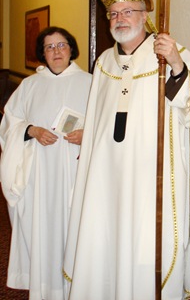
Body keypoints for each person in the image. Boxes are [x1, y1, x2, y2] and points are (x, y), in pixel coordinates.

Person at [63, 0, 190, 300]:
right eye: (113, 13)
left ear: (145, 13)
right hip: (106, 179)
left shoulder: (172, 56)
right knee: (104, 240)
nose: (120, 19)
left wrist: (176, 66)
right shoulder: (103, 62)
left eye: (128, 11)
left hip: (150, 181)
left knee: (144, 247)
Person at [0, 26, 92, 300]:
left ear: (71, 48)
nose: (56, 51)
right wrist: (31, 130)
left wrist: (88, 135)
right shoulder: (30, 85)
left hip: (77, 174)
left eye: (61, 45)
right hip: (39, 177)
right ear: (42, 53)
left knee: (75, 232)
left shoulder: (91, 82)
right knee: (44, 232)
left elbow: (108, 125)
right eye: (49, 47)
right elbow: (10, 123)